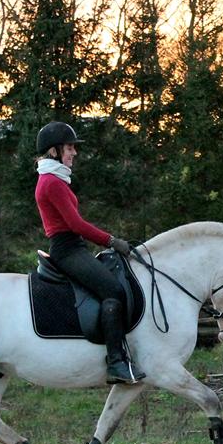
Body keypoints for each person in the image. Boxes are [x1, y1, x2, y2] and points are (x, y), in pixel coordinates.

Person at [34, 121, 145, 384]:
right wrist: (111, 241)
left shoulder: (56, 178)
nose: (74, 153)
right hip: (67, 249)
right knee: (113, 290)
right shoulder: (51, 182)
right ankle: (116, 363)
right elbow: (76, 225)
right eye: (70, 148)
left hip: (73, 247)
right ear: (54, 151)